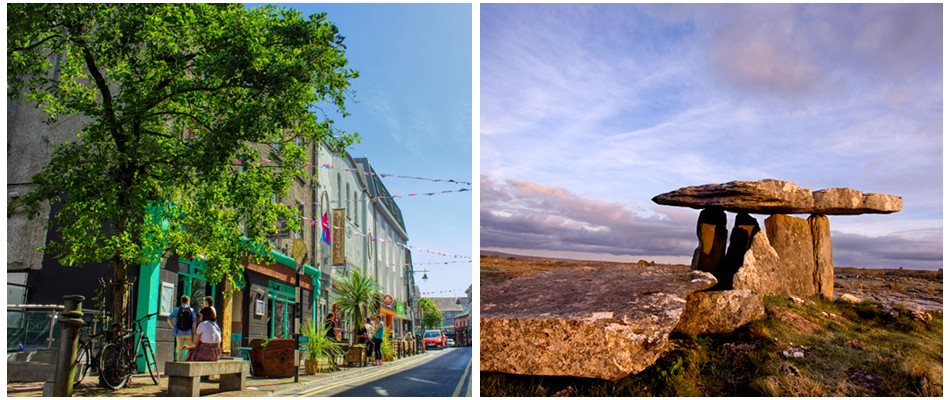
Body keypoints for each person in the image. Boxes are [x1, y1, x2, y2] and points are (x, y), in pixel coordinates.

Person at [168, 295, 197, 361]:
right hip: (189, 333)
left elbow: (169, 319)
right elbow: (194, 322)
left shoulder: (177, 309)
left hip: (179, 332)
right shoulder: (191, 310)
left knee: (179, 351)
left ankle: (179, 364)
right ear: (188, 302)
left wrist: (173, 327)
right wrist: (194, 332)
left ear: (181, 302)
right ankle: (185, 363)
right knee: (189, 350)